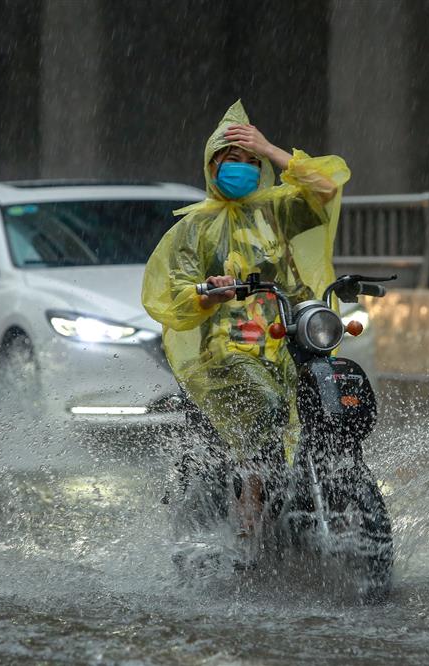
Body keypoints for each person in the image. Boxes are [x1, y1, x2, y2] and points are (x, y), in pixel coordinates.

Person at [142, 100, 350, 536]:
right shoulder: (193, 229)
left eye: (251, 161)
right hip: (225, 350)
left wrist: (271, 149)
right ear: (212, 166)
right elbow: (174, 295)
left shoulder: (276, 211)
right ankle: (250, 497)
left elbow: (327, 189)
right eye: (232, 160)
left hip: (287, 338)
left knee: (330, 399)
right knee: (268, 402)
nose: (243, 168)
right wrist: (208, 294)